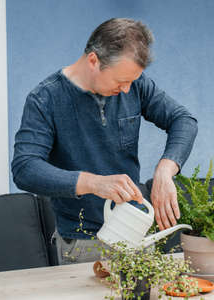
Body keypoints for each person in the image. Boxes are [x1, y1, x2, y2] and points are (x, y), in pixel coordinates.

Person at [11, 18, 198, 265]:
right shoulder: (45, 98)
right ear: (93, 61)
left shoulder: (135, 85)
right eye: (120, 81)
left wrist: (166, 170)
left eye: (132, 81)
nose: (127, 90)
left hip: (137, 233)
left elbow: (183, 120)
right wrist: (93, 183)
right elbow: (25, 168)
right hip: (83, 243)